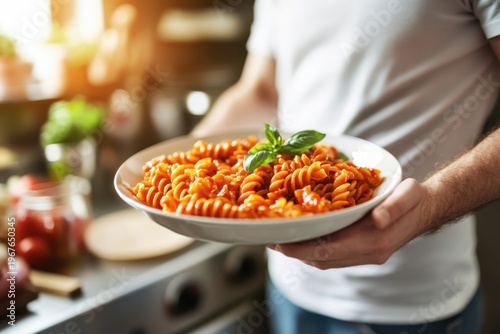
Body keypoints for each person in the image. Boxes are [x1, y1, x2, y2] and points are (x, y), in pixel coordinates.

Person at [192, 1, 500, 333]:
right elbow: (262, 91)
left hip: (412, 307)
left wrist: (431, 204)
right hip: (290, 290)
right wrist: (183, 161)